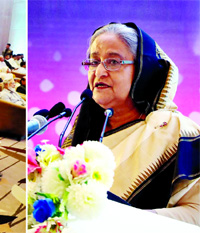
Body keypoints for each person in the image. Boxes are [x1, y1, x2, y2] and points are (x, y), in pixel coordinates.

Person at [64, 22, 200, 226]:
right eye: (93, 62)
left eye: (113, 61)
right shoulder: (83, 128)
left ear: (143, 72)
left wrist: (124, 219)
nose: (99, 72)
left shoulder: (178, 132)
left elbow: (196, 214)